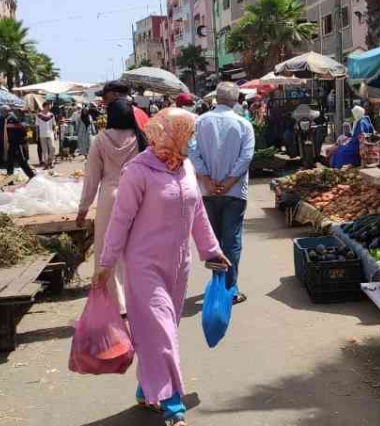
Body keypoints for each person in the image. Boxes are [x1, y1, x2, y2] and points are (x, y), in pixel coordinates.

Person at [94, 108, 229, 426]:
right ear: (172, 133)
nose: (193, 141)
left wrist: (212, 250)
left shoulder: (185, 167)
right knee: (163, 333)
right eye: (190, 134)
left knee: (158, 334)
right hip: (144, 268)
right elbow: (120, 221)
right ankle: (172, 406)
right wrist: (106, 263)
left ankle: (147, 388)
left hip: (178, 266)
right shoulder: (137, 171)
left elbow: (197, 213)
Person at [78, 99, 148, 312]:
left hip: (109, 197)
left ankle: (116, 303)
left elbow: (91, 177)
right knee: (135, 248)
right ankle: (136, 297)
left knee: (107, 249)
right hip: (137, 195)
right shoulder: (140, 138)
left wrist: (83, 208)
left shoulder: (99, 140)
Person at [189, 82, 254, 305]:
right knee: (232, 240)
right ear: (236, 100)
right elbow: (245, 158)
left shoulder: (199, 122)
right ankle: (229, 287)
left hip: (207, 191)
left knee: (214, 241)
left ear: (216, 98)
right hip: (234, 192)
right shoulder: (244, 124)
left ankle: (219, 282)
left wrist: (206, 179)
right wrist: (228, 183)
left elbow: (192, 152)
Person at [4, 108, 36, 180]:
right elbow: (25, 132)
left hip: (17, 144)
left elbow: (26, 132)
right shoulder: (13, 120)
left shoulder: (14, 120)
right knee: (12, 161)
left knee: (19, 161)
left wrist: (25, 140)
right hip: (16, 144)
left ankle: (31, 175)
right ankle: (10, 178)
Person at [36, 102, 58, 169]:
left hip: (50, 133)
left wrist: (55, 133)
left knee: (53, 148)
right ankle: (46, 164)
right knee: (44, 150)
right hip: (42, 134)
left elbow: (54, 124)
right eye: (48, 106)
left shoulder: (51, 115)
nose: (49, 107)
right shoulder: (39, 115)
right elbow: (37, 126)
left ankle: (50, 161)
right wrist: (37, 135)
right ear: (44, 106)